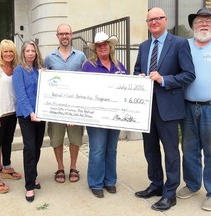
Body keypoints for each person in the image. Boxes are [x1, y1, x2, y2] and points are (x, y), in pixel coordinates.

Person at [133, 7, 196, 211]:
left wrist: (164, 79)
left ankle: (170, 193)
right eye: (150, 19)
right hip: (146, 109)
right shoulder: (143, 46)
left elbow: (189, 74)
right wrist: (139, 77)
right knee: (150, 150)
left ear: (165, 20)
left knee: (170, 152)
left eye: (157, 18)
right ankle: (156, 184)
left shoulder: (179, 44)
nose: (153, 22)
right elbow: (136, 71)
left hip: (168, 108)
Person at [82, 31, 127, 198]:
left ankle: (110, 181)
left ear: (110, 46)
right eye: (99, 45)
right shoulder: (89, 66)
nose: (102, 47)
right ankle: (96, 182)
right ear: (95, 49)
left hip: (114, 116)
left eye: (105, 44)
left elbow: (127, 86)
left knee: (111, 149)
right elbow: (83, 90)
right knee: (98, 149)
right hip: (96, 116)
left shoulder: (119, 65)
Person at [176, 8, 211, 212]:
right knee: (189, 149)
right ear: (193, 26)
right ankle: (192, 184)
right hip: (188, 106)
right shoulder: (184, 45)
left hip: (210, 107)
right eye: (199, 21)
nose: (204, 24)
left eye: (207, 21)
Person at [44, 24, 87, 183]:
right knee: (56, 138)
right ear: (57, 36)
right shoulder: (49, 58)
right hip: (56, 107)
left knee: (75, 138)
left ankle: (73, 167)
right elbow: (45, 81)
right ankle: (60, 168)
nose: (64, 36)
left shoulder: (81, 56)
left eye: (67, 33)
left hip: (75, 107)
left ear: (72, 35)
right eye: (61, 34)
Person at [13, 40, 46, 202]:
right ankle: (29, 187)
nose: (31, 53)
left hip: (41, 114)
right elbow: (20, 94)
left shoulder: (40, 70)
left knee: (37, 147)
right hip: (26, 115)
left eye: (33, 51)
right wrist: (30, 113)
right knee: (30, 148)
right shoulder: (19, 70)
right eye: (28, 51)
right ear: (23, 53)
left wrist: (47, 76)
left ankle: (33, 176)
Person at [0, 39, 21, 194]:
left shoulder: (15, 68)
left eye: (11, 51)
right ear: (1, 52)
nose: (8, 54)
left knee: (8, 141)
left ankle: (6, 167)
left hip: (12, 111)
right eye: (5, 51)